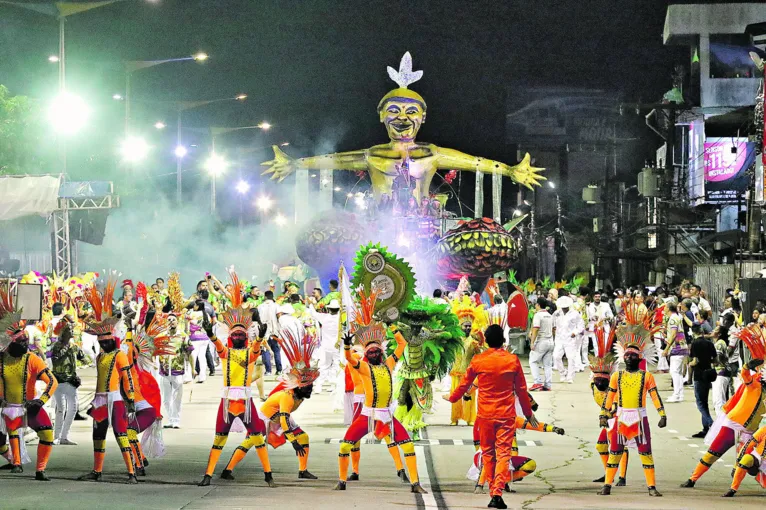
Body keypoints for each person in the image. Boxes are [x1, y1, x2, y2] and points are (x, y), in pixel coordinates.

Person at [335, 289, 426, 494]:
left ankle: (415, 483)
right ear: (367, 355)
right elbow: (350, 360)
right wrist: (348, 347)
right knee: (344, 447)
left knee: (409, 447)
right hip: (367, 415)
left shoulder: (389, 364)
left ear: (382, 352)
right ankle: (341, 480)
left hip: (386, 416)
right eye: (371, 352)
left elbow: (402, 343)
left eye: (377, 351)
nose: (375, 353)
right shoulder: (365, 368)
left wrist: (390, 325)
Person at [447, 324, 536, 510]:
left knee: (488, 453)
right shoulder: (512, 360)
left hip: (485, 416)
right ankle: (497, 493)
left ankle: (492, 493)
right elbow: (521, 390)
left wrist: (453, 398)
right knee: (504, 453)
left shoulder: (479, 360)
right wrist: (528, 414)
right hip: (506, 415)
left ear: (485, 341)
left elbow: (465, 384)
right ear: (503, 341)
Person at [197, 275, 273, 488]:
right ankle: (208, 475)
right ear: (231, 336)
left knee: (258, 437)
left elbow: (256, 349)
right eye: (235, 334)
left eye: (241, 334)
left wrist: (259, 338)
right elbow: (217, 346)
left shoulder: (249, 352)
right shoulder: (226, 353)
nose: (238, 336)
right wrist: (210, 333)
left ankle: (268, 474)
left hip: (245, 402)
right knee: (219, 439)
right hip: (228, 402)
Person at [225, 329, 319, 481]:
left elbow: (285, 418)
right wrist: (293, 441)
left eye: (311, 385)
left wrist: (295, 439)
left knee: (304, 437)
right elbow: (283, 420)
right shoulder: (288, 397)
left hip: (281, 416)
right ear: (299, 386)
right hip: (266, 418)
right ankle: (227, 470)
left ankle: (303, 470)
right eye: (308, 386)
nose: (311, 388)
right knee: (250, 443)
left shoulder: (300, 395)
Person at [681, 325, 766, 489]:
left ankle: (737, 472)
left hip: (751, 432)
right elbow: (745, 375)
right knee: (714, 452)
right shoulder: (753, 384)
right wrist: (748, 366)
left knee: (753, 461)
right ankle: (693, 479)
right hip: (733, 425)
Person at [598, 304, 666, 497]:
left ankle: (651, 487)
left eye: (632, 356)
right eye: (626, 355)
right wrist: (604, 415)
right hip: (620, 418)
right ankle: (607, 485)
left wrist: (662, 414)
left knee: (645, 452)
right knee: (615, 452)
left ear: (639, 358)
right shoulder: (616, 376)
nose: (628, 358)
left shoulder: (646, 376)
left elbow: (654, 396)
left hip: (639, 419)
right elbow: (609, 397)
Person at [78, 283, 138, 484]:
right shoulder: (100, 357)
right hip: (100, 400)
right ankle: (97, 470)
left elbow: (128, 379)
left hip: (116, 399)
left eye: (106, 341)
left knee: (121, 435)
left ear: (112, 340)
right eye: (101, 342)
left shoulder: (120, 356)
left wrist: (130, 400)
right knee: (98, 434)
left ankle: (131, 472)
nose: (103, 344)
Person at [0, 288, 58, 481]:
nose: (25, 345)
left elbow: (52, 382)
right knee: (10, 433)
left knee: (48, 434)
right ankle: (14, 462)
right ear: (10, 344)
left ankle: (40, 469)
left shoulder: (32, 359)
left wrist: (40, 401)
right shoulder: (2, 360)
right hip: (8, 408)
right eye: (21, 342)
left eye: (26, 341)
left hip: (30, 405)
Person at [588, 325, 629, 485]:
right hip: (609, 419)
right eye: (597, 380)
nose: (598, 382)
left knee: (620, 447)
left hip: (620, 419)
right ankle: (608, 473)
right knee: (601, 446)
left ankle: (622, 477)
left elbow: (616, 408)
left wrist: (605, 416)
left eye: (601, 381)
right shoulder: (593, 386)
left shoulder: (615, 389)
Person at [50, 317, 84, 445]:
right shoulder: (57, 346)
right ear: (63, 332)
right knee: (60, 409)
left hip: (71, 381)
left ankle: (64, 436)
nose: (71, 331)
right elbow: (55, 359)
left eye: (71, 329)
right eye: (69, 329)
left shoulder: (74, 346)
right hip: (59, 381)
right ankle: (56, 436)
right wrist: (67, 349)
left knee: (73, 408)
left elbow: (83, 359)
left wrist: (80, 353)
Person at [159, 313, 194, 429]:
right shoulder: (162, 336)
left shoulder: (183, 336)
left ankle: (176, 420)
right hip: (164, 371)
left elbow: (189, 353)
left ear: (177, 322)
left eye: (173, 320)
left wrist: (193, 369)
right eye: (169, 320)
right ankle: (170, 419)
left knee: (177, 397)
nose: (171, 322)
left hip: (177, 370)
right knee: (166, 398)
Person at [688, 324, 716, 438]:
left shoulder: (695, 344)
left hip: (699, 375)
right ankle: (705, 428)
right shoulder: (709, 343)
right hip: (708, 374)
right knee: (705, 401)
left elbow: (695, 361)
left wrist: (690, 364)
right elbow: (715, 359)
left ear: (694, 332)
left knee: (700, 402)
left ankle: (711, 424)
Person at [724, 423, 766, 497]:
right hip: (758, 459)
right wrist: (736, 465)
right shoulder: (763, 430)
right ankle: (733, 489)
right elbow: (747, 446)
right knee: (746, 459)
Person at [553, 296, 584, 384]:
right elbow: (553, 323)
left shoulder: (575, 314)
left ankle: (570, 376)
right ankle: (562, 372)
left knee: (571, 358)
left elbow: (581, 326)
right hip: (559, 338)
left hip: (570, 338)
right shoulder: (557, 313)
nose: (564, 308)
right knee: (556, 356)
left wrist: (575, 332)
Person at [313, 299, 341, 394]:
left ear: (329, 309)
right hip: (337, 346)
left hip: (326, 346)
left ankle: (318, 386)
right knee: (336, 365)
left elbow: (313, 313)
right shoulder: (341, 319)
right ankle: (333, 385)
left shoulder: (324, 317)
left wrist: (312, 304)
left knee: (324, 365)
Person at [663, 302, 688, 403]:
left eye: (665, 307)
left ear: (668, 308)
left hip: (677, 348)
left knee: (674, 371)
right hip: (682, 347)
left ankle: (676, 394)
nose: (663, 308)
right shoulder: (677, 317)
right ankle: (679, 394)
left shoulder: (673, 319)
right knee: (677, 372)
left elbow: (674, 334)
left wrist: (666, 348)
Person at [529, 298, 554, 391]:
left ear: (538, 305)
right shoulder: (550, 315)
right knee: (547, 364)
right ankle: (547, 385)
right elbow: (554, 329)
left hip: (542, 341)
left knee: (533, 361)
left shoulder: (538, 315)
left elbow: (535, 329)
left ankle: (537, 382)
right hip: (550, 341)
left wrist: (532, 342)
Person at [586, 291, 614, 367]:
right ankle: (598, 362)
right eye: (596, 297)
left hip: (604, 327)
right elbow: (587, 317)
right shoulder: (589, 306)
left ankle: (605, 362)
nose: (597, 298)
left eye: (599, 297)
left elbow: (611, 316)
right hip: (595, 328)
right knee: (595, 345)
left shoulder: (605, 305)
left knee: (605, 345)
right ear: (593, 298)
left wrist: (605, 318)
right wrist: (592, 317)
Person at [258, 290, 282, 375]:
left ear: (265, 297)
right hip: (274, 331)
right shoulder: (276, 306)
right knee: (276, 350)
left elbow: (258, 320)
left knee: (265, 350)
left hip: (264, 332)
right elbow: (279, 317)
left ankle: (268, 371)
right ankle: (279, 370)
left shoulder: (260, 306)